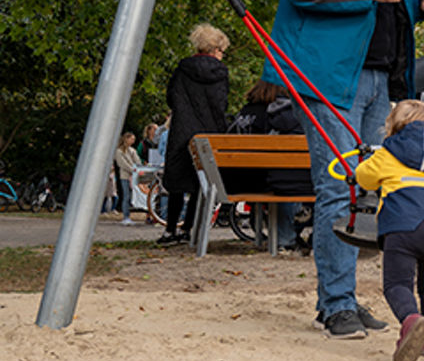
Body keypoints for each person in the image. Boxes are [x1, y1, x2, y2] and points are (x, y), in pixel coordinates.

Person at [262, 0, 424, 340]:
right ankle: (336, 303)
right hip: (329, 78)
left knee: (366, 189)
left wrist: (419, 7)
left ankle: (343, 297)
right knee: (337, 189)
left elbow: (388, 6)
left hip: (380, 77)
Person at [355, 100, 424, 361]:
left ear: (394, 124)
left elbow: (364, 177)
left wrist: (361, 165)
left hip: (402, 226)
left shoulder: (388, 152)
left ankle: (411, 320)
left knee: (397, 284)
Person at [159, 23, 230, 246]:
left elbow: (171, 97)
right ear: (216, 49)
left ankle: (171, 230)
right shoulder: (221, 73)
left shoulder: (182, 70)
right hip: (208, 132)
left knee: (177, 183)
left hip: (182, 130)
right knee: (202, 182)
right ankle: (190, 229)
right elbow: (221, 104)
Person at [228, 80, 308, 250]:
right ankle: (287, 237)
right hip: (267, 181)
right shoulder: (282, 114)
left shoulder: (245, 111)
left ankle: (284, 234)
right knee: (290, 178)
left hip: (233, 180)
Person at [114, 132, 144, 226]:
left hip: (133, 176)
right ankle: (125, 217)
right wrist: (133, 170)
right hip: (125, 176)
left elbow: (137, 161)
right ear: (126, 139)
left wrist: (140, 168)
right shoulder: (119, 151)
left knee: (131, 196)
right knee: (126, 196)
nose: (133, 141)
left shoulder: (132, 150)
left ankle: (128, 215)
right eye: (131, 139)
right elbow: (122, 164)